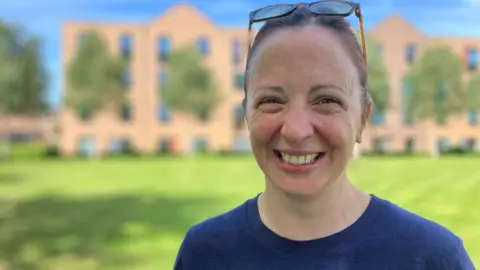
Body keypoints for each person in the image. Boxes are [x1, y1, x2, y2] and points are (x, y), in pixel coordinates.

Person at [173, 2, 475, 269]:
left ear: (362, 117)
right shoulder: (204, 252)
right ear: (247, 116)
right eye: (271, 101)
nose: (296, 129)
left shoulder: (432, 258)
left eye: (327, 100)